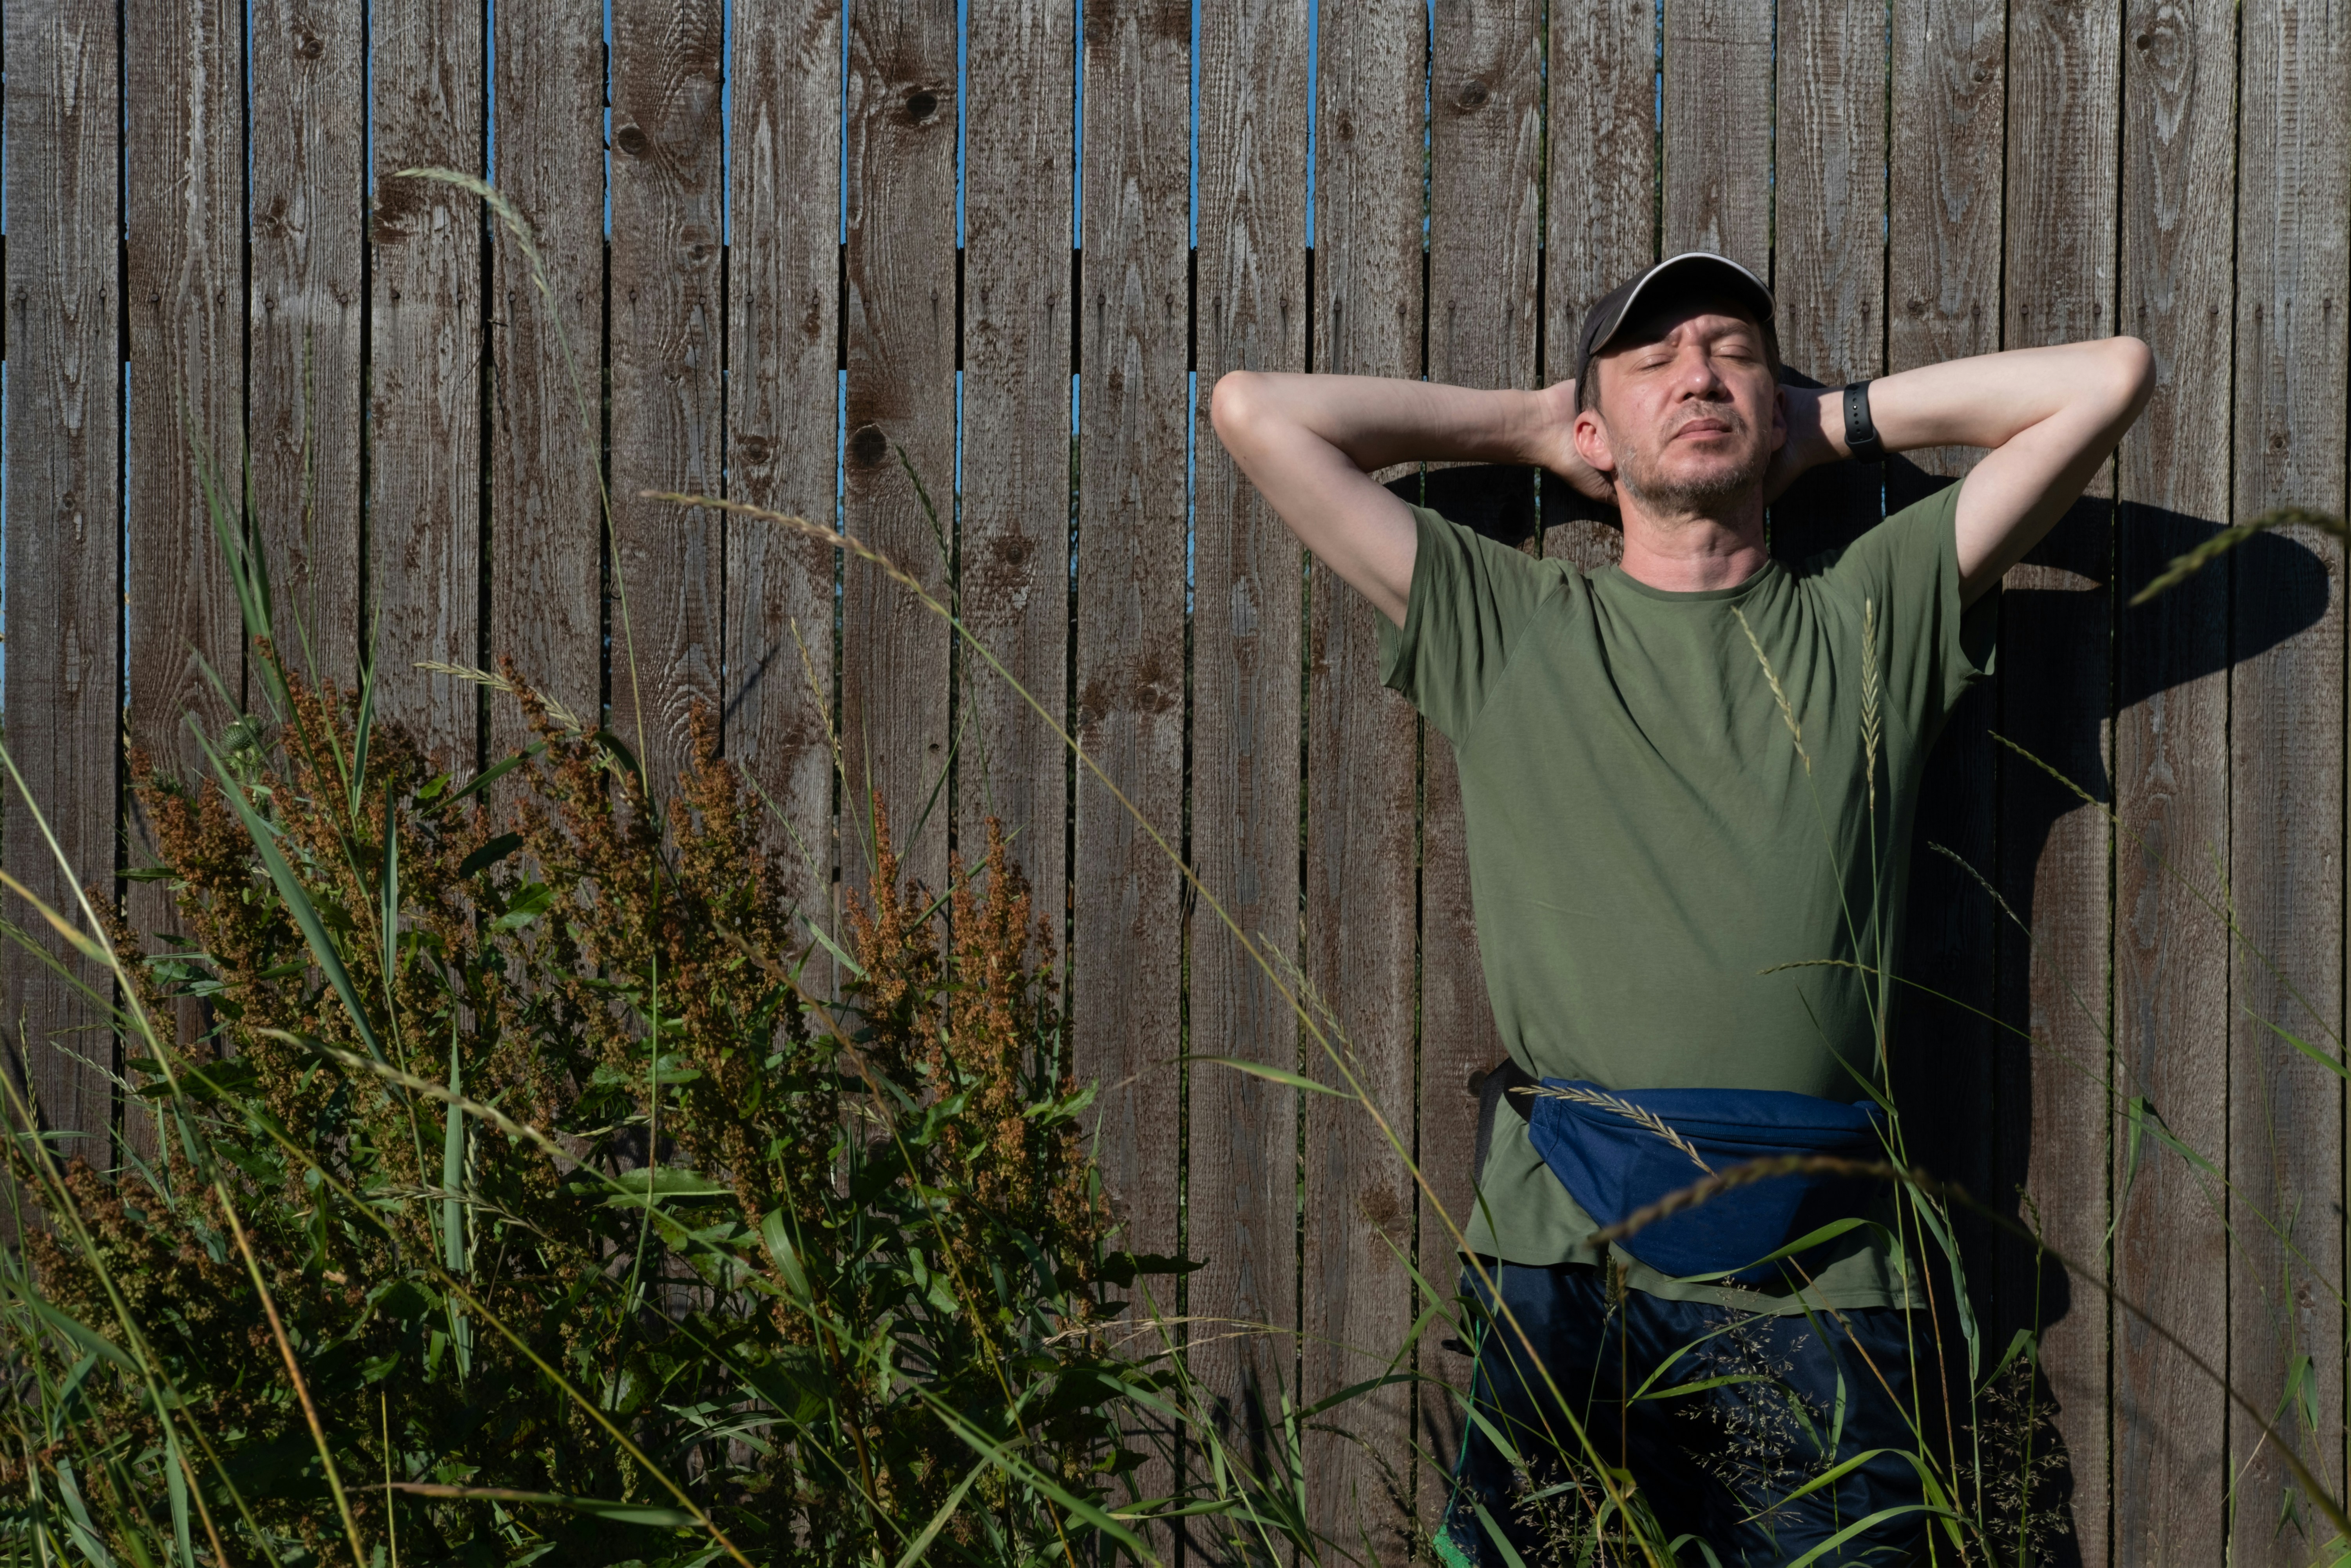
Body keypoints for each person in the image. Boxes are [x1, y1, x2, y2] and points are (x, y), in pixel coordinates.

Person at [1207, 252, 2153, 1566]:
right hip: (1564, 1249)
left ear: (1775, 411)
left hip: (1822, 1272)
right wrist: (1536, 424)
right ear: (1595, 432)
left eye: (1733, 355)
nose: (1697, 373)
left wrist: (1829, 424)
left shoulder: (1871, 615)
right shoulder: (1507, 620)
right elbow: (1257, 412)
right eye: (1652, 363)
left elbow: (2110, 378)